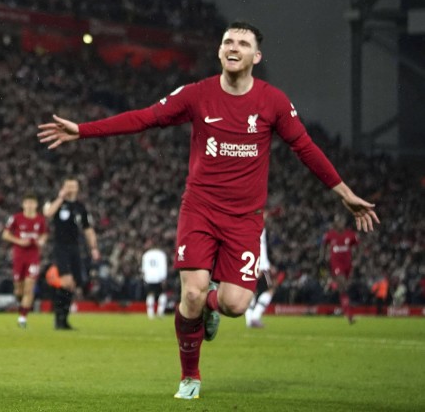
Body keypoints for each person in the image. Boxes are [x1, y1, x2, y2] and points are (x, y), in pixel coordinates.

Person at [38, 21, 379, 400]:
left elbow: (306, 148)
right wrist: (83, 130)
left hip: (245, 219)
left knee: (235, 304)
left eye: (243, 43)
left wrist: (344, 192)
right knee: (192, 294)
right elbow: (145, 117)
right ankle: (190, 376)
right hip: (199, 210)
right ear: (219, 51)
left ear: (256, 56)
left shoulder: (273, 102)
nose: (233, 47)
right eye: (228, 41)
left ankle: (213, 306)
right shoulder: (197, 94)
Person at [42, 178, 101, 330]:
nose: (71, 188)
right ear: (63, 187)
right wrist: (60, 198)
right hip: (60, 247)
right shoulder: (57, 203)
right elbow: (48, 213)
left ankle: (64, 319)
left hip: (75, 248)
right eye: (68, 186)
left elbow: (88, 229)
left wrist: (94, 248)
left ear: (77, 188)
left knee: (73, 284)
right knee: (66, 281)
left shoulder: (80, 207)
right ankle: (58, 318)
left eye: (73, 186)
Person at [1, 193, 48, 327]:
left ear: (36, 205)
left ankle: (22, 318)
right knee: (19, 291)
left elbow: (44, 234)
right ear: (23, 204)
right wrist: (19, 241)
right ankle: (22, 304)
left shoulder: (40, 220)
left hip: (33, 257)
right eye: (27, 203)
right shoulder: (16, 218)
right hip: (19, 257)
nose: (29, 205)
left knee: (29, 287)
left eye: (32, 203)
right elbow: (5, 234)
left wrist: (42, 241)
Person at [321, 215, 359, 324]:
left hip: (348, 265)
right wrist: (322, 258)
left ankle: (345, 307)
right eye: (339, 221)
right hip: (336, 265)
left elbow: (359, 247)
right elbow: (323, 246)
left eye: (342, 221)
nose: (341, 223)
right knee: (343, 286)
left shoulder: (350, 234)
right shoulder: (330, 235)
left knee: (344, 288)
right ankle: (349, 314)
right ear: (335, 223)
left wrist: (357, 259)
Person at [244, 228, 283, 328]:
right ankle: (255, 317)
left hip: (251, 262)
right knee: (271, 289)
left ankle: (249, 320)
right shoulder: (259, 227)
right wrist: (261, 265)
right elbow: (259, 246)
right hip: (260, 265)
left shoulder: (249, 226)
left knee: (252, 290)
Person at [141, 241, 169, 319]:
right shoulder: (161, 254)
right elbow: (163, 267)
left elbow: (144, 268)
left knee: (150, 294)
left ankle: (150, 314)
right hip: (159, 277)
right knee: (162, 294)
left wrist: (144, 278)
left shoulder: (146, 255)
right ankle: (160, 312)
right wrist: (164, 278)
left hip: (149, 277)